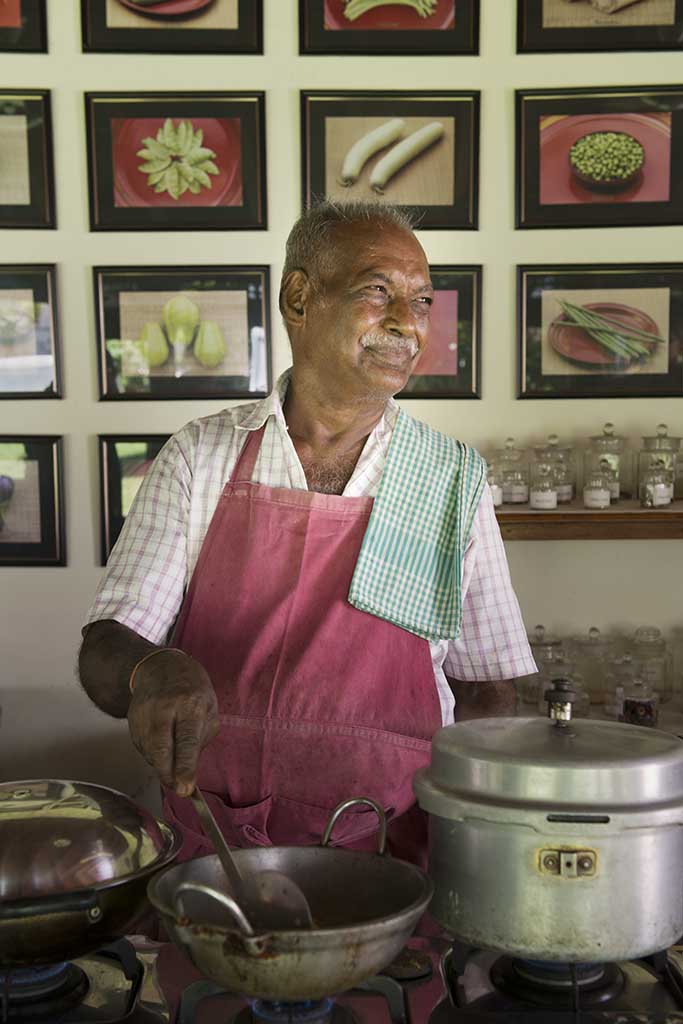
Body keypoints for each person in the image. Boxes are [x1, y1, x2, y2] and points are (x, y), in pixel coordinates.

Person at [79, 200, 536, 867]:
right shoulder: (202, 456)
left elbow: (486, 691)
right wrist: (152, 669)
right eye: (378, 292)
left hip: (392, 853)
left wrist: (481, 843)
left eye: (421, 301)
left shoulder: (448, 478)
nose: (406, 325)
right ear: (299, 296)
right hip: (216, 854)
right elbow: (104, 654)